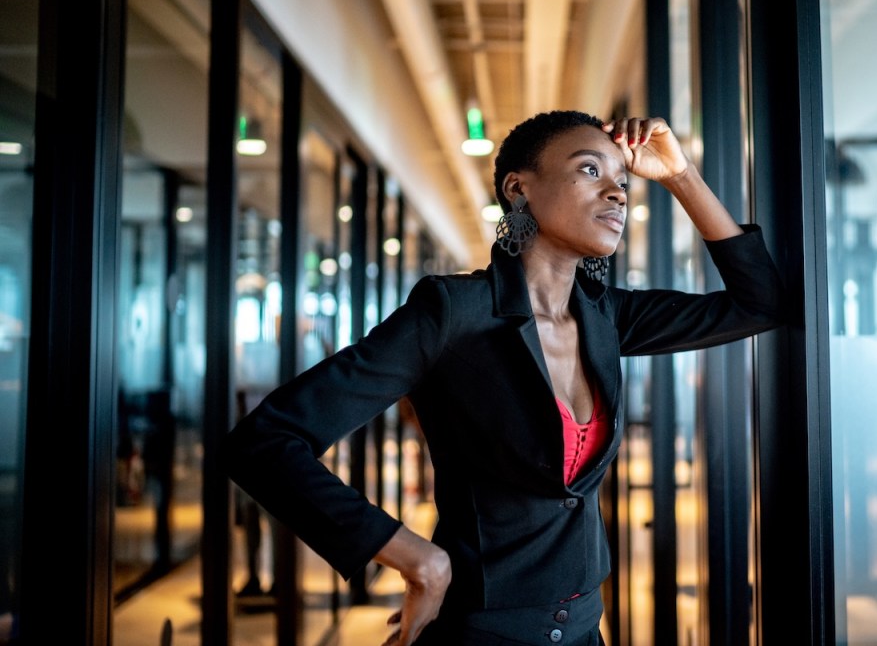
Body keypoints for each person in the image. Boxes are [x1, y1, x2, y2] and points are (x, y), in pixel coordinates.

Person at [221, 112, 786, 646]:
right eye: (590, 170)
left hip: (587, 628)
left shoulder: (606, 316)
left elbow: (758, 304)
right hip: (482, 630)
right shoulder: (453, 311)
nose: (616, 191)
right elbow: (265, 443)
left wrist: (681, 176)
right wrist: (417, 557)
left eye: (622, 181)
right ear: (519, 189)